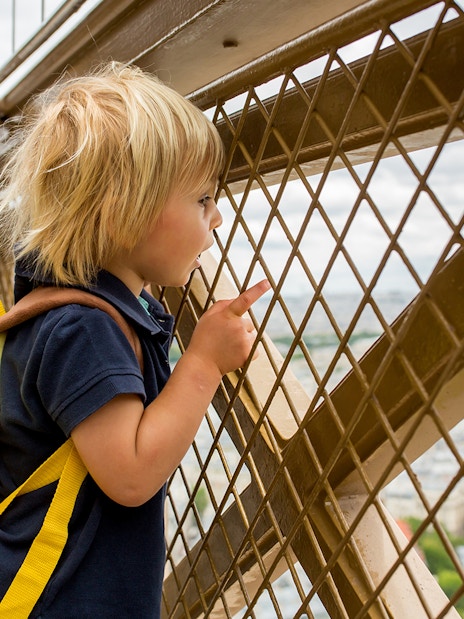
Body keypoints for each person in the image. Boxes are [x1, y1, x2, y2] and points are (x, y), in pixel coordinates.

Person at [0, 62, 270, 618]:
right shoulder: (84, 329)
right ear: (129, 212)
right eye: (203, 200)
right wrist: (203, 365)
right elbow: (130, 474)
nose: (217, 218)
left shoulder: (74, 305)